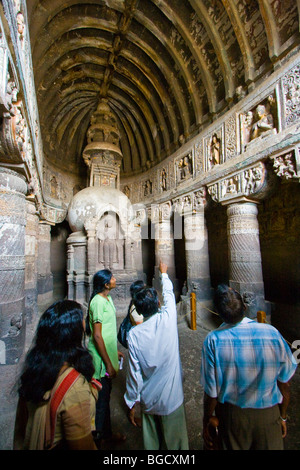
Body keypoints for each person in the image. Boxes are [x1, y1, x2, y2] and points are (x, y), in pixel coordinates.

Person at [200, 284, 298, 450]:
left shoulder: (213, 340)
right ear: (244, 307)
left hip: (233, 417)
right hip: (268, 414)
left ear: (218, 312)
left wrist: (207, 419)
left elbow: (211, 392)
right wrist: (282, 416)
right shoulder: (271, 333)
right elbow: (284, 383)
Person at [14, 300, 100, 450]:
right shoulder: (74, 388)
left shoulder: (34, 371)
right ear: (74, 333)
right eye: (83, 320)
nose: (85, 323)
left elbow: (21, 428)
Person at [124, 260, 189, 450]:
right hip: (172, 398)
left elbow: (134, 373)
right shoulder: (168, 319)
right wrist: (164, 274)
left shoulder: (134, 335)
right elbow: (169, 295)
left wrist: (132, 401)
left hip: (149, 399)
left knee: (151, 445)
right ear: (157, 303)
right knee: (176, 445)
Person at [86, 269, 125, 447]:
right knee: (101, 401)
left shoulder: (106, 299)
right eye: (112, 278)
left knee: (105, 396)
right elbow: (97, 336)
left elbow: (108, 332)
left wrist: (113, 351)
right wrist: (108, 363)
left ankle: (105, 434)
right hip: (100, 362)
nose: (115, 279)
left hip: (106, 355)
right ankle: (98, 439)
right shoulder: (97, 303)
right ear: (106, 284)